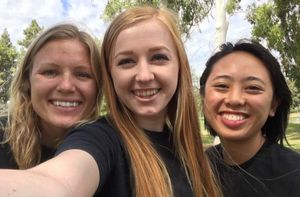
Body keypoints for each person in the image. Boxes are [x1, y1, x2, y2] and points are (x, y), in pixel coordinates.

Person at [0, 6, 221, 197]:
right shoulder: (100, 138)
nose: (144, 75)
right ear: (110, 76)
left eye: (159, 57)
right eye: (126, 61)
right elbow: (57, 184)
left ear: (180, 65)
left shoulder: (191, 152)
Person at [200, 39, 300, 197]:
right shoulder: (193, 170)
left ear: (273, 105)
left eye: (253, 88)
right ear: (203, 96)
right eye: (222, 86)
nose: (234, 99)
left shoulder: (294, 175)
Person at [0, 23, 102, 169]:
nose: (66, 86)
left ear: (98, 87)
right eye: (50, 72)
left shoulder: (114, 146)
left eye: (82, 74)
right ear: (26, 81)